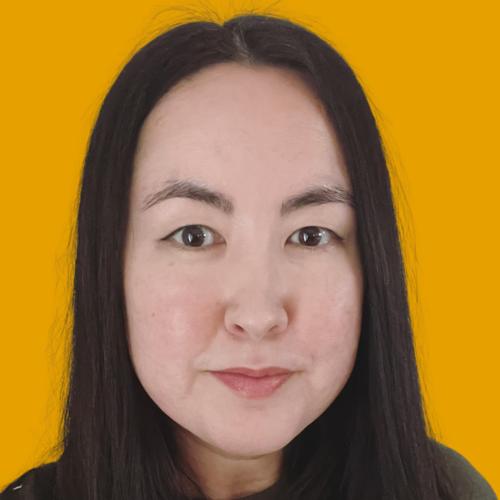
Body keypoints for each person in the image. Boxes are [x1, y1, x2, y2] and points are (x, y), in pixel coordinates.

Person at [0, 12, 496, 500]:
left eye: (311, 236)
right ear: (110, 265)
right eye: (194, 236)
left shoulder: (446, 491)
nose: (258, 317)